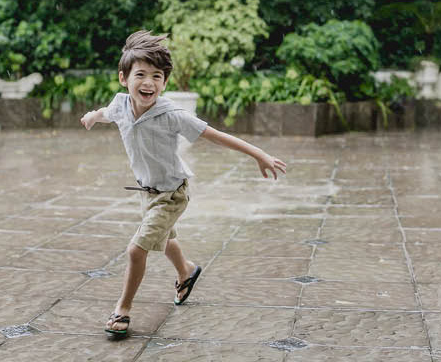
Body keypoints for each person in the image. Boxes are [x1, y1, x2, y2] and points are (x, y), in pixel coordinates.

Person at [79, 30, 288, 340]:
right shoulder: (121, 105)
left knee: (137, 249)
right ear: (124, 78)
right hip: (148, 192)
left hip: (172, 194)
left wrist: (259, 154)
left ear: (164, 83)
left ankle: (122, 309)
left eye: (157, 76)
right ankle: (186, 271)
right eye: (140, 74)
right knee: (164, 239)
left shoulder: (173, 114)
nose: (148, 82)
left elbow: (216, 135)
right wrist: (92, 116)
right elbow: (106, 113)